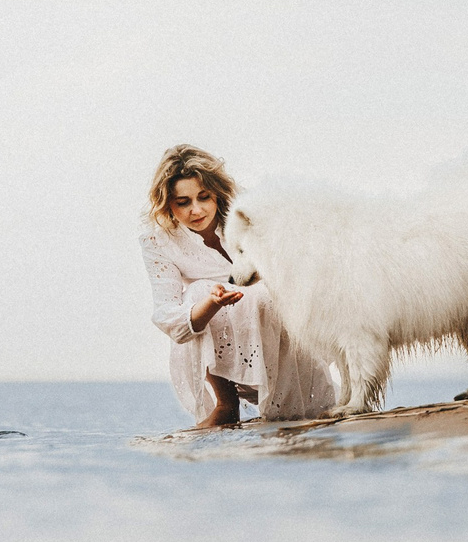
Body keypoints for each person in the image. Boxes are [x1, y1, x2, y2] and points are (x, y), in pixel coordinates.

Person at [139, 144, 333, 427]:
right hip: (224, 337)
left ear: (216, 192)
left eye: (204, 197)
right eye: (183, 202)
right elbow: (168, 317)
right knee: (197, 293)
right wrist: (210, 304)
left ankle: (286, 397)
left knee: (265, 295)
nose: (196, 210)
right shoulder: (157, 241)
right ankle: (226, 403)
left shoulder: (247, 214)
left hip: (277, 324)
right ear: (168, 203)